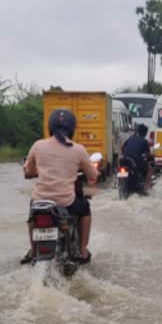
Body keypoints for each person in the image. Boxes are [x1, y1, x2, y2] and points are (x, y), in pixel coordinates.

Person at [21, 109, 98, 264]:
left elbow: (28, 171)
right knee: (85, 207)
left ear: (50, 127)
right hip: (66, 204)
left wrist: (35, 173)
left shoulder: (38, 145)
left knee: (32, 215)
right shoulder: (78, 149)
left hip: (40, 202)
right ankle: (82, 250)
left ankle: (33, 250)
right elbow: (93, 176)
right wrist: (95, 172)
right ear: (72, 129)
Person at [121, 123, 153, 191]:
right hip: (135, 162)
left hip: (124, 160)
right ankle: (146, 187)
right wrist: (151, 157)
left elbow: (123, 147)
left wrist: (124, 154)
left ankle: (118, 184)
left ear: (138, 131)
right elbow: (148, 154)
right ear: (145, 133)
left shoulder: (130, 138)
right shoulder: (144, 141)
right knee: (150, 168)